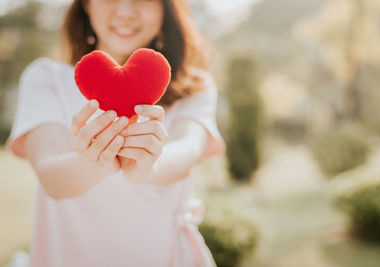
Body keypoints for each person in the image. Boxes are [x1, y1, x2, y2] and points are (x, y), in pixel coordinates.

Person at [6, 0, 226, 266]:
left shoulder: (195, 86)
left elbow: (188, 149)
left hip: (165, 255)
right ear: (85, 5)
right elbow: (50, 175)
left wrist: (149, 166)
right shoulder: (46, 79)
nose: (124, 11)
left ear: (165, 8)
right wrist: (95, 161)